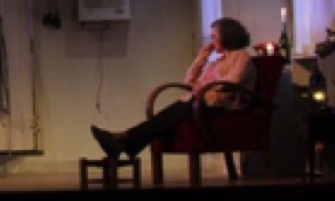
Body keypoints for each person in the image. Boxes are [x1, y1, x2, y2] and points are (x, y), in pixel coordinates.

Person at [90, 16, 257, 160]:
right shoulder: (217, 61)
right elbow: (189, 81)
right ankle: (125, 140)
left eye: (214, 37)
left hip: (225, 105)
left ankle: (124, 139)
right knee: (176, 111)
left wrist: (204, 88)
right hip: (204, 101)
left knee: (178, 109)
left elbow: (233, 81)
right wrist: (202, 57)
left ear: (227, 36)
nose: (211, 41)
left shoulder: (241, 56)